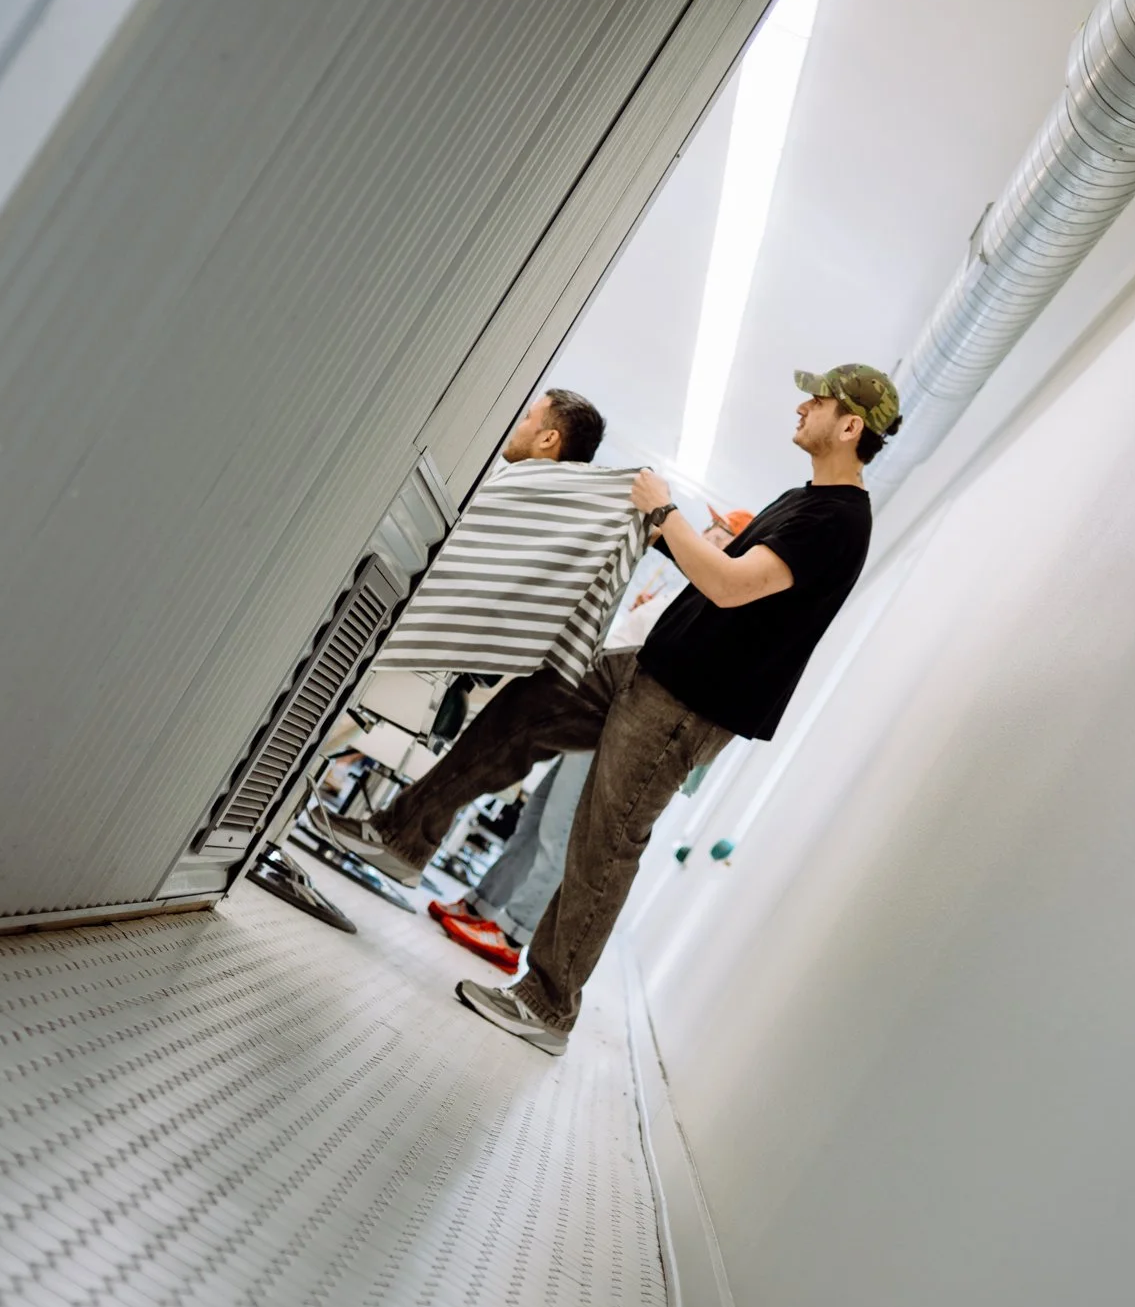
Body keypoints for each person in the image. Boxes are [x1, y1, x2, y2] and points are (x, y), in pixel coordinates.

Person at [319, 363, 901, 1054]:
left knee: (604, 843)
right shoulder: (803, 500)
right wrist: (647, 527)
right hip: (650, 669)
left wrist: (665, 511)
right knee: (528, 707)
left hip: (685, 706)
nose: (802, 407)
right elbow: (718, 580)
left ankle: (548, 1004)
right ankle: (400, 838)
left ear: (850, 425)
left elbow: (728, 586)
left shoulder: (837, 520)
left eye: (818, 401)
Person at [429, 508, 753, 974]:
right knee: (537, 817)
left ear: (732, 549)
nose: (703, 534)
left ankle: (512, 933)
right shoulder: (684, 593)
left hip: (609, 725)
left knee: (558, 831)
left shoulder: (709, 608)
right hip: (590, 710)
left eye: (717, 533)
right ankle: (481, 905)